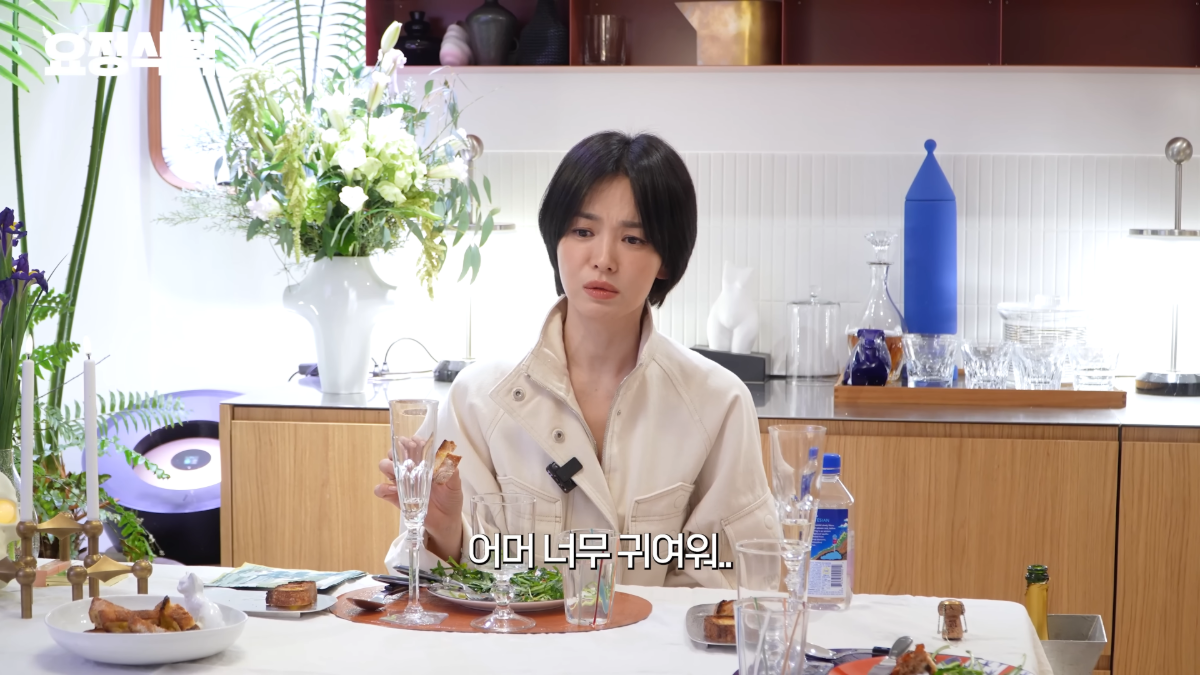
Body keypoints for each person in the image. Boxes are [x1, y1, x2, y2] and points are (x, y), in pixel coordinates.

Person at [375, 131, 780, 588]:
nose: (603, 259)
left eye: (633, 238)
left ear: (666, 259)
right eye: (583, 232)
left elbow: (736, 581)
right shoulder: (478, 397)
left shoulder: (718, 402)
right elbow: (449, 592)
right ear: (556, 239)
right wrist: (446, 536)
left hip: (653, 639)